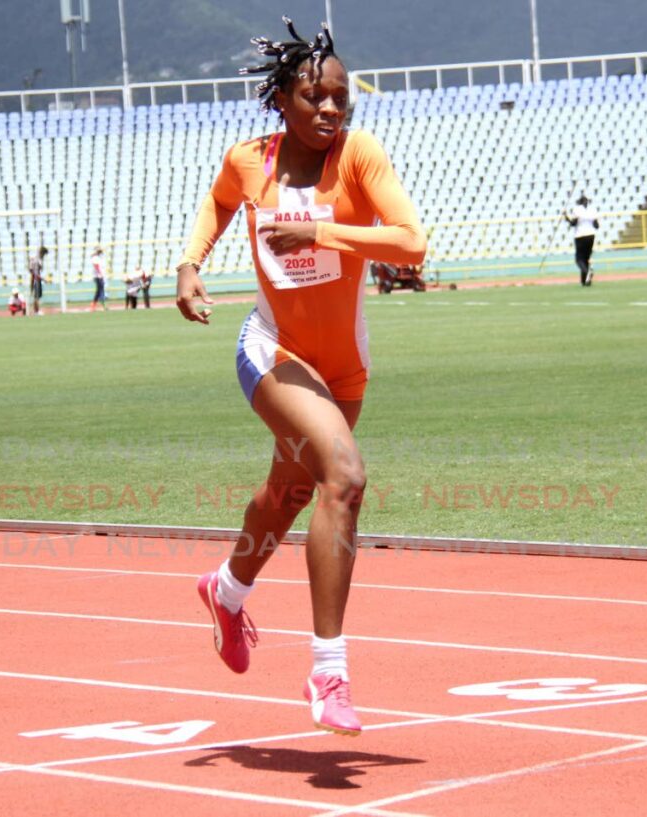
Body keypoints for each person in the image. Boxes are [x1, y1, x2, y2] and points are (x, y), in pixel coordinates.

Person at [175, 17, 426, 736]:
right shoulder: (248, 159)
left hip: (344, 367)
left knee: (288, 492)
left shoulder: (359, 155)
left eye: (342, 97)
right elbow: (218, 202)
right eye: (316, 96)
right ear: (282, 98)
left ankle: (226, 591)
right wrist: (190, 264)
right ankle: (329, 671)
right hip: (272, 350)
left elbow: (411, 243)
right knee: (343, 477)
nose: (331, 108)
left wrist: (318, 231)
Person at [563, 195, 600, 286]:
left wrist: (566, 217)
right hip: (591, 235)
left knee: (579, 259)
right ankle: (585, 281)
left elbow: (573, 223)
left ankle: (587, 272)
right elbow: (596, 226)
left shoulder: (577, 210)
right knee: (586, 259)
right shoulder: (592, 210)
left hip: (580, 236)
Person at [28, 246, 48, 314]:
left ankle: (35, 310)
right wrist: (43, 279)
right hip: (35, 279)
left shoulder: (37, 259)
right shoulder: (36, 260)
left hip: (37, 279)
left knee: (37, 296)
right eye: (44, 254)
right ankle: (36, 311)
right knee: (36, 296)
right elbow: (33, 272)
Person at [89, 247, 108, 311]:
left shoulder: (99, 258)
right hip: (98, 276)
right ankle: (102, 305)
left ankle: (95, 305)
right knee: (100, 291)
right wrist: (100, 273)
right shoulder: (95, 258)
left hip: (100, 276)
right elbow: (96, 266)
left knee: (99, 291)